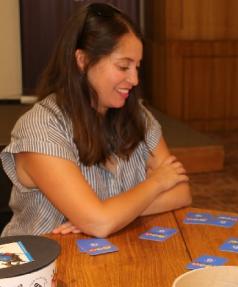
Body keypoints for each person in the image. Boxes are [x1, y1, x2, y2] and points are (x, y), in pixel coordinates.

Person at [0, 3, 191, 238]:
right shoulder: (41, 127)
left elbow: (182, 192)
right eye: (123, 66)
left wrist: (109, 214)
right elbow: (99, 223)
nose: (134, 79)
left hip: (111, 256)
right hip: (37, 267)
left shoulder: (139, 116)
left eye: (137, 67)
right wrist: (157, 183)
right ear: (83, 60)